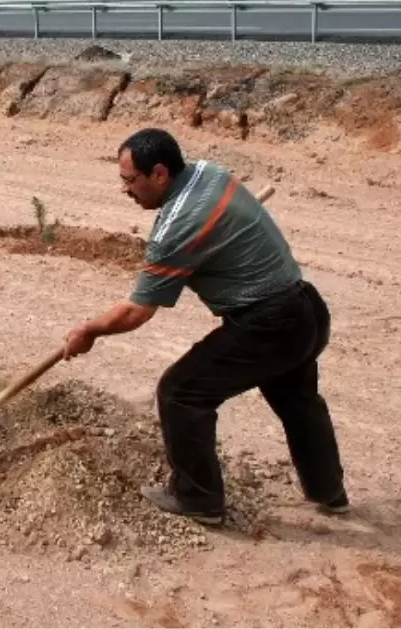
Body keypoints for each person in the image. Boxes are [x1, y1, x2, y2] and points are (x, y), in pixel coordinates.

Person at [60, 128, 348, 526]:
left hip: (269, 323)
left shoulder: (177, 227)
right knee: (299, 403)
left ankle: (198, 499)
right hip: (304, 309)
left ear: (159, 173)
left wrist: (89, 330)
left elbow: (137, 312)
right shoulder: (208, 173)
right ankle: (329, 492)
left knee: (182, 392)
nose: (124, 190)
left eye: (130, 180)